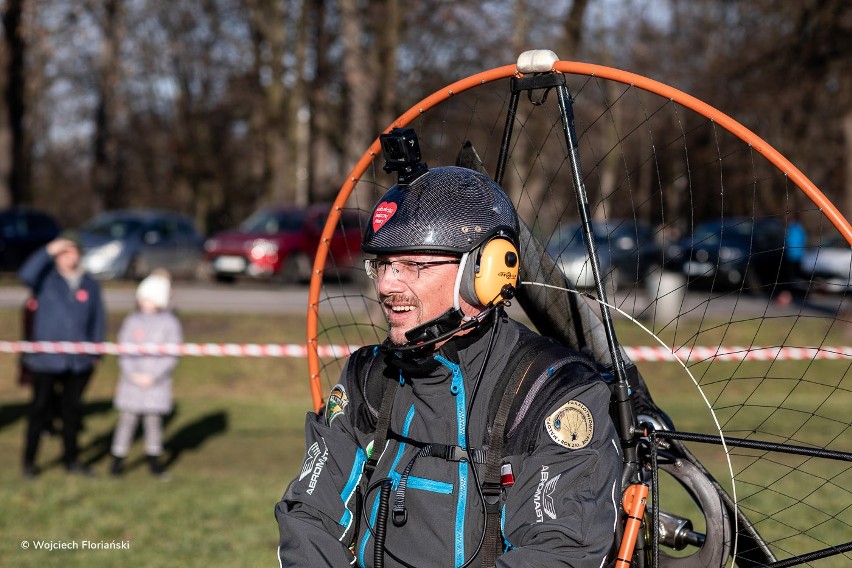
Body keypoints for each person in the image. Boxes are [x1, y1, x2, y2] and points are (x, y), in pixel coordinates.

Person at [275, 162, 622, 566]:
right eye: (383, 265)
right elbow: (310, 517)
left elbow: (558, 551)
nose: (387, 285)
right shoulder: (366, 378)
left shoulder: (553, 393)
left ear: (485, 273)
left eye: (413, 265)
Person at [19, 231, 106, 478]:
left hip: (78, 361)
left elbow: (98, 318)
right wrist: (47, 250)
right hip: (45, 360)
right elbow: (25, 274)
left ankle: (72, 461)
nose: (68, 258)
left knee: (72, 413)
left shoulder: (89, 283)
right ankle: (29, 463)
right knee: (38, 410)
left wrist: (96, 350)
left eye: (72, 252)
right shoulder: (45, 278)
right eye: (63, 253)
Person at [110, 269, 182, 480]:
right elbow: (124, 350)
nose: (145, 301)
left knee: (153, 424)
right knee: (127, 421)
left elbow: (171, 354)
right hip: (131, 383)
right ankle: (117, 460)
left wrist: (153, 376)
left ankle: (154, 461)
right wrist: (133, 374)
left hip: (156, 384)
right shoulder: (132, 321)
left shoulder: (170, 323)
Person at [777, 212, 807, 305]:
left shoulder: (794, 229)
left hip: (792, 257)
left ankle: (789, 295)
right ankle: (792, 294)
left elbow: (791, 242)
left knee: (790, 277)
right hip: (796, 256)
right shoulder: (798, 229)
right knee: (794, 277)